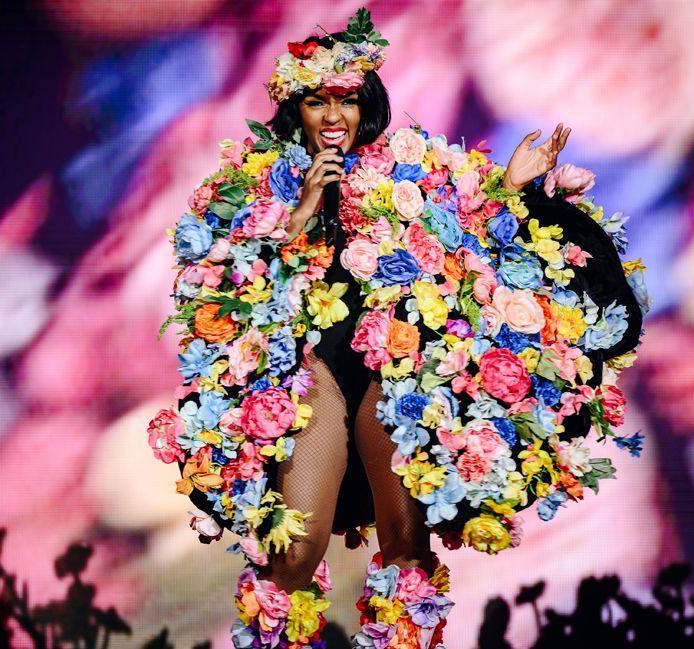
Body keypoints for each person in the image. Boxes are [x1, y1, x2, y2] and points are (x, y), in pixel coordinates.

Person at [148, 9, 647, 649]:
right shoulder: (256, 179)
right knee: (293, 553)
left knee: (406, 545)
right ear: (294, 107)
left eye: (347, 101)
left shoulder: (412, 159)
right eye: (317, 102)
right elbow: (218, 281)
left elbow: (468, 228)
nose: (333, 118)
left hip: (398, 378)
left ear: (367, 105)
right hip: (310, 375)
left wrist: (513, 187)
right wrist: (298, 212)